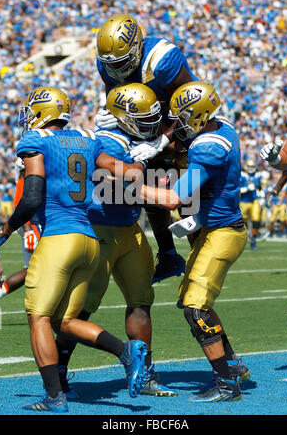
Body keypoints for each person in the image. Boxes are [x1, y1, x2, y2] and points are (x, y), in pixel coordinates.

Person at [0, 86, 147, 413]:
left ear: (41, 112)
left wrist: (5, 230)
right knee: (64, 321)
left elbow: (32, 197)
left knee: (38, 318)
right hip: (89, 241)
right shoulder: (88, 139)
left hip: (59, 240)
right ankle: (126, 351)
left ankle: (54, 397)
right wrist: (140, 163)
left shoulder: (35, 140)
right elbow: (128, 172)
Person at [55, 82, 177, 398]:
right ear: (123, 117)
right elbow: (123, 180)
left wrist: (160, 141)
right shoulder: (109, 139)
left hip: (129, 227)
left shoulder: (135, 137)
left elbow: (172, 134)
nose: (150, 125)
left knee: (140, 300)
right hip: (100, 226)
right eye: (143, 119)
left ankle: (145, 372)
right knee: (81, 308)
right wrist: (145, 167)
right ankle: (59, 371)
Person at [130, 81, 249, 402]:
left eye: (182, 117)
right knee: (192, 300)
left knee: (196, 309)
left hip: (222, 233)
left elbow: (174, 199)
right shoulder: (223, 127)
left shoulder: (207, 147)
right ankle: (233, 364)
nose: (177, 124)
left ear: (198, 116)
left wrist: (133, 187)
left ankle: (226, 384)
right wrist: (161, 146)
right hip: (214, 226)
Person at [95, 13, 198, 282]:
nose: (116, 71)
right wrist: (108, 113)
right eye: (112, 65)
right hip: (145, 125)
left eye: (122, 63)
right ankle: (168, 255)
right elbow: (115, 97)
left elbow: (192, 105)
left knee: (187, 194)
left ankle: (199, 255)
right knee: (150, 183)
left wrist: (163, 140)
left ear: (137, 48)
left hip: (181, 123)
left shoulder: (162, 60)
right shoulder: (105, 64)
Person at [0, 158, 41, 302]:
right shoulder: (31, 155)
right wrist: (28, 228)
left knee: (30, 270)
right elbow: (22, 197)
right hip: (32, 222)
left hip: (30, 220)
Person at [239, 160, 261, 250]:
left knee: (256, 221)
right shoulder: (242, 175)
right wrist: (246, 189)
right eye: (249, 166)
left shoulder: (257, 175)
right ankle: (244, 238)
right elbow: (237, 188)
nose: (251, 169)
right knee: (243, 222)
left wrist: (261, 193)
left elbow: (259, 187)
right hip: (243, 201)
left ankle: (253, 240)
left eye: (252, 167)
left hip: (254, 200)